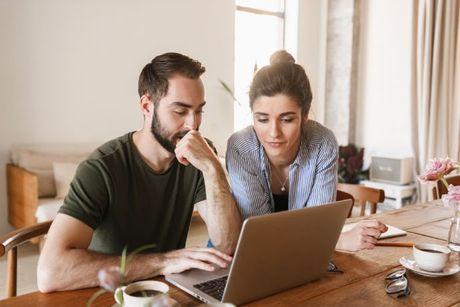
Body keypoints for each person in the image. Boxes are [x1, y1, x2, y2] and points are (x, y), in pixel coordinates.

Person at [37, 52, 241, 292]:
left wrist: (212, 167)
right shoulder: (102, 168)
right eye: (180, 111)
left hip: (164, 293)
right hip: (107, 294)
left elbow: (228, 244)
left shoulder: (199, 156)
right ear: (147, 106)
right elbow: (50, 272)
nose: (193, 125)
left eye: (199, 111)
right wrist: (164, 261)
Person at [226, 50, 387, 252]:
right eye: (262, 119)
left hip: (300, 256)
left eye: (287, 119)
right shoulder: (240, 147)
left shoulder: (322, 143)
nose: (274, 132)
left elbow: (315, 226)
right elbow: (260, 236)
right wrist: (337, 241)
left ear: (305, 116)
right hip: (243, 255)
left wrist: (322, 238)